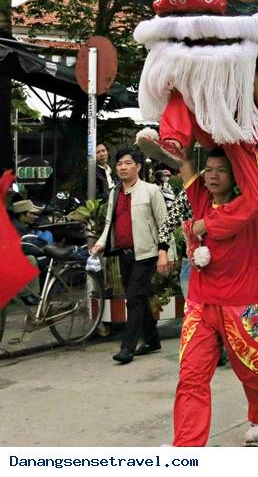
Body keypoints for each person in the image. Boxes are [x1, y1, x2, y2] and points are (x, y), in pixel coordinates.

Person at [171, 144, 258, 446]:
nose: (213, 176)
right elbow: (185, 162)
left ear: (235, 177)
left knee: (253, 371)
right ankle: (187, 447)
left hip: (239, 304)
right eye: (210, 169)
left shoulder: (248, 204)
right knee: (191, 375)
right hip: (200, 303)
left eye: (222, 170)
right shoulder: (201, 200)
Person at [92, 148, 170, 365]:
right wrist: (100, 244)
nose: (123, 167)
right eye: (119, 164)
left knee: (134, 297)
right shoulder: (114, 192)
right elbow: (110, 223)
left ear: (138, 166)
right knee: (140, 297)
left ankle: (127, 348)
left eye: (128, 163)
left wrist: (165, 253)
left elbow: (164, 223)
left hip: (147, 253)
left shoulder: (151, 191)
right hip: (124, 254)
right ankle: (153, 340)